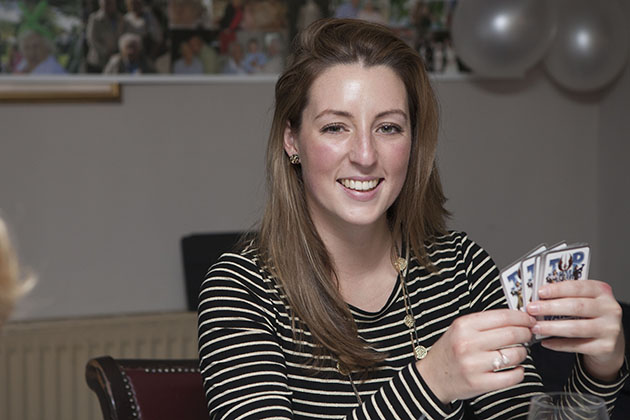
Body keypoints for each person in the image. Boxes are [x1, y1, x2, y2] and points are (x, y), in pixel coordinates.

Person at [197, 19, 627, 419]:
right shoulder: (239, 289)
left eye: (388, 128)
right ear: (292, 140)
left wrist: (602, 370)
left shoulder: (463, 268)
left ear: (412, 142)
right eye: (335, 128)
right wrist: (431, 382)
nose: (365, 156)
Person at [85, 0, 124, 73]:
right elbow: (91, 39)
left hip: (115, 59)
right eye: (105, 3)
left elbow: (122, 37)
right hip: (98, 61)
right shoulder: (94, 18)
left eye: (110, 3)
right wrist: (106, 52)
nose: (107, 6)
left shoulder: (120, 18)